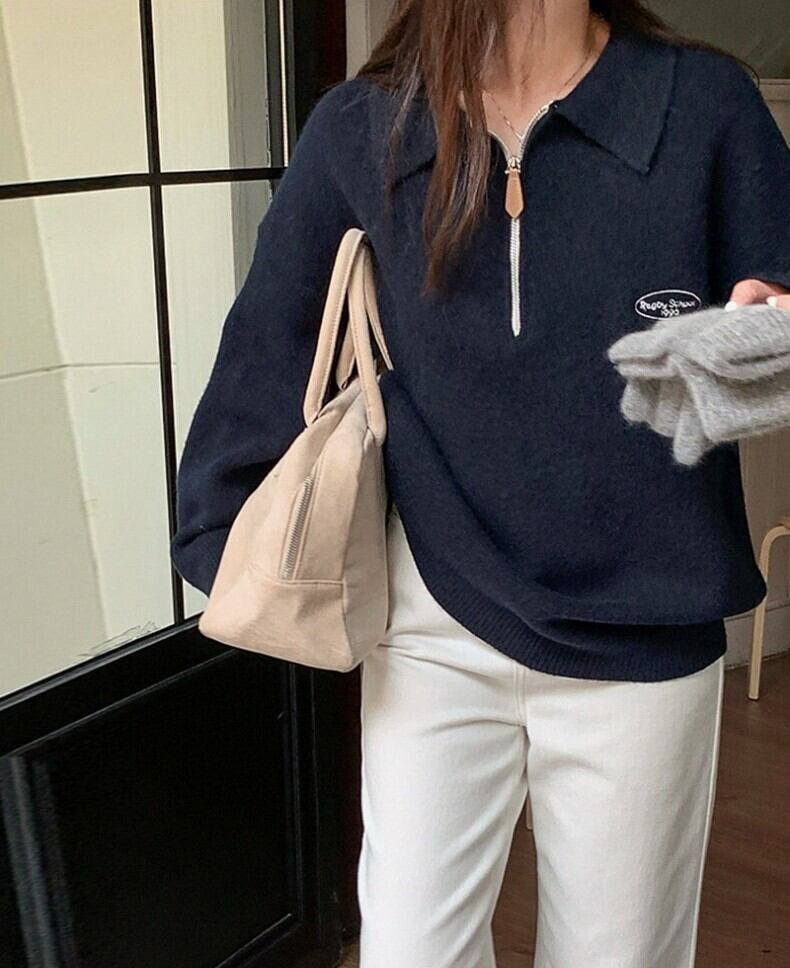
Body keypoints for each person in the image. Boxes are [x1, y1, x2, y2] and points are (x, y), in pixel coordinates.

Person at [170, 1, 790, 965]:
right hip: (433, 618)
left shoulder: (706, 104)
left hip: (646, 633)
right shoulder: (364, 128)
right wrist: (226, 544)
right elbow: (267, 349)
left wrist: (768, 339)